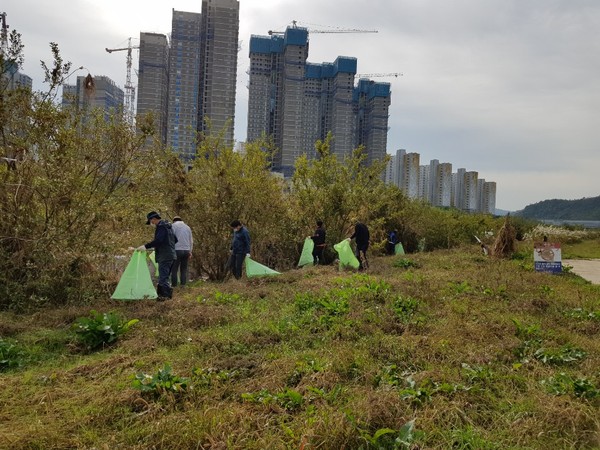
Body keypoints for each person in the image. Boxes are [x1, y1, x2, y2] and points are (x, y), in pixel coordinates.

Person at [137, 211, 177, 300]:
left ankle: (164, 297)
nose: (152, 224)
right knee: (166, 276)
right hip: (171, 254)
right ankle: (166, 296)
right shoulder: (168, 226)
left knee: (163, 277)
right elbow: (175, 240)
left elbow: (158, 241)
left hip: (165, 255)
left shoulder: (161, 227)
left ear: (154, 219)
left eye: (151, 222)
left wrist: (145, 246)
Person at [171, 216, 193, 287]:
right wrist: (190, 251)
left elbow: (171, 238)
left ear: (174, 221)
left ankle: (174, 285)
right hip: (186, 250)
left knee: (174, 269)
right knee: (183, 269)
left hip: (177, 250)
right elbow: (191, 241)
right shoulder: (187, 227)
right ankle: (183, 285)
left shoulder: (173, 226)